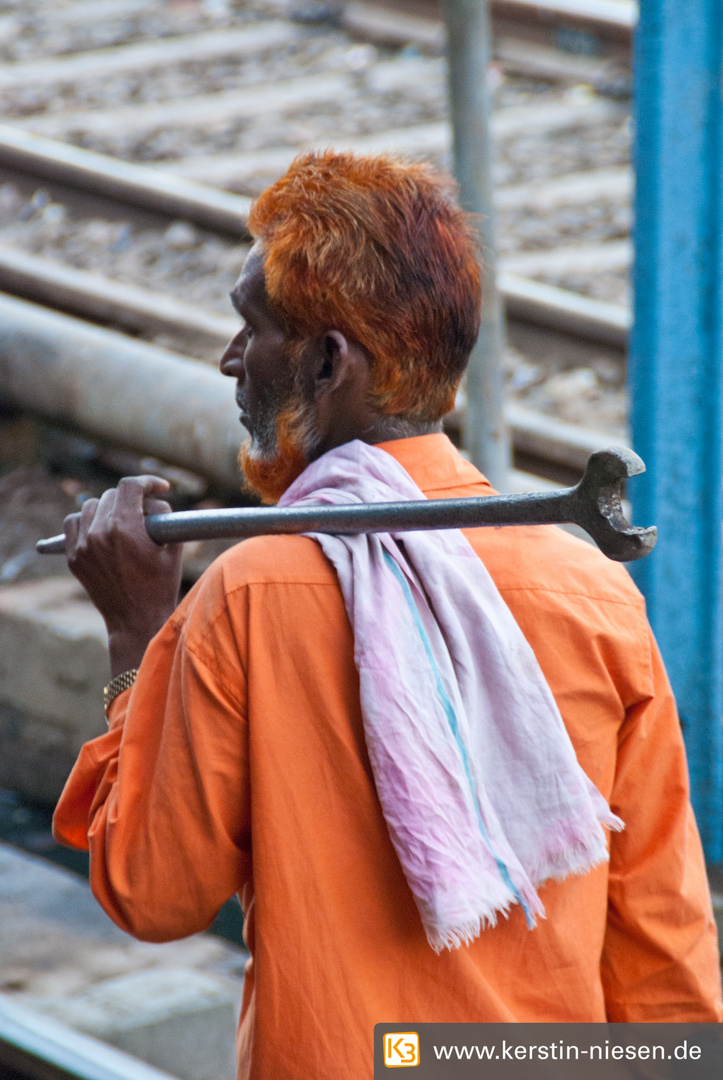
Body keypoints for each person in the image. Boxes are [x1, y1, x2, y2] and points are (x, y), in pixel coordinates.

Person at [53, 151, 722, 1079]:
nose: (231, 359)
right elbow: (659, 945)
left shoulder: (248, 598)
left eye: (253, 328)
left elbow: (156, 895)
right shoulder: (594, 597)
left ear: (329, 362)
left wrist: (135, 639)